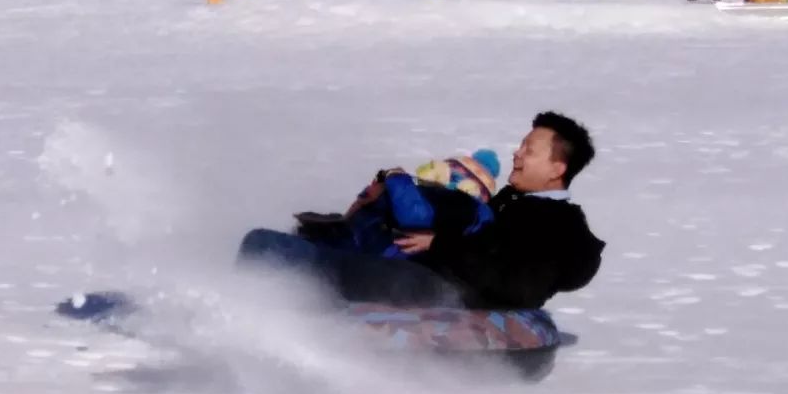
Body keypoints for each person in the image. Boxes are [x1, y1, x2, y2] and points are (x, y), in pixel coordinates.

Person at [239, 113, 605, 310]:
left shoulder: (558, 226)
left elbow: (518, 281)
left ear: (558, 168)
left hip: (438, 288)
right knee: (288, 243)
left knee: (272, 251)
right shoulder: (510, 201)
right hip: (423, 273)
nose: (517, 154)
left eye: (530, 149)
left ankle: (247, 330)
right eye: (521, 145)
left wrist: (441, 244)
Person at [295, 150, 500, 258]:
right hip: (358, 248)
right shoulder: (435, 198)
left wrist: (395, 177)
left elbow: (413, 214)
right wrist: (371, 196)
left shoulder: (462, 203)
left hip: (379, 265)